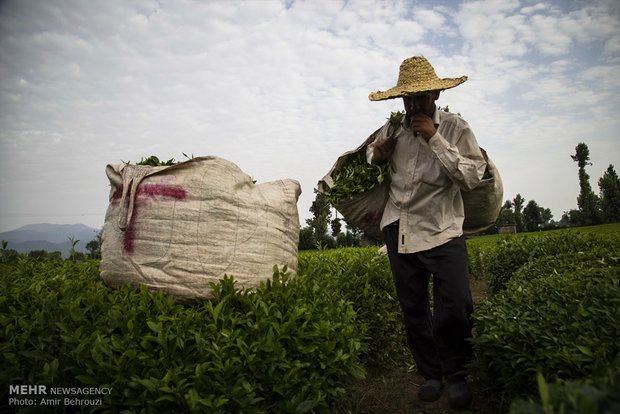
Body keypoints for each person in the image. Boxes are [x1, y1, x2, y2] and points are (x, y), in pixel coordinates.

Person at [366, 56, 487, 409]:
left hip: (443, 229)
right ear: (400, 99)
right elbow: (371, 164)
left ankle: (458, 373)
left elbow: (471, 176)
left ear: (435, 93)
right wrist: (379, 155)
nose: (415, 105)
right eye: (408, 98)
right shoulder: (392, 129)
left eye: (422, 97)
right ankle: (431, 374)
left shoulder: (456, 129)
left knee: (456, 306)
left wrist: (434, 138)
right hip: (399, 229)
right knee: (413, 308)